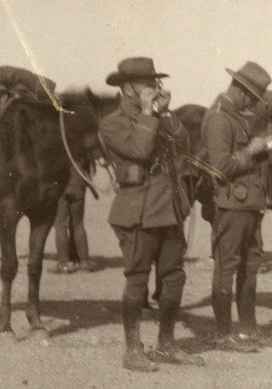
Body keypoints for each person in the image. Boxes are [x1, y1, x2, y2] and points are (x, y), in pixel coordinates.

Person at [100, 57, 203, 371]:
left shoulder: (159, 115)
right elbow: (139, 152)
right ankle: (133, 351)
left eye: (156, 82)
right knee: (137, 280)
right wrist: (149, 113)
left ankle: (167, 345)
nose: (155, 88)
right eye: (149, 83)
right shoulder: (112, 122)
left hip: (168, 208)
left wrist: (167, 112)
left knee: (174, 277)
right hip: (138, 211)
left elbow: (184, 142)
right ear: (128, 88)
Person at [202, 61, 272, 352]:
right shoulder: (219, 120)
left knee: (250, 267)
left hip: (249, 204)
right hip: (231, 205)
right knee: (227, 268)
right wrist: (252, 150)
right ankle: (224, 334)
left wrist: (264, 148)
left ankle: (248, 330)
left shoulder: (235, 118)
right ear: (239, 90)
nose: (252, 103)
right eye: (251, 97)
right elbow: (220, 167)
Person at [49, 162, 94, 274]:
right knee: (78, 224)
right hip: (79, 184)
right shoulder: (81, 146)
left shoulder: (60, 145)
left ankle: (63, 264)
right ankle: (84, 262)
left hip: (61, 186)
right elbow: (92, 168)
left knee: (60, 224)